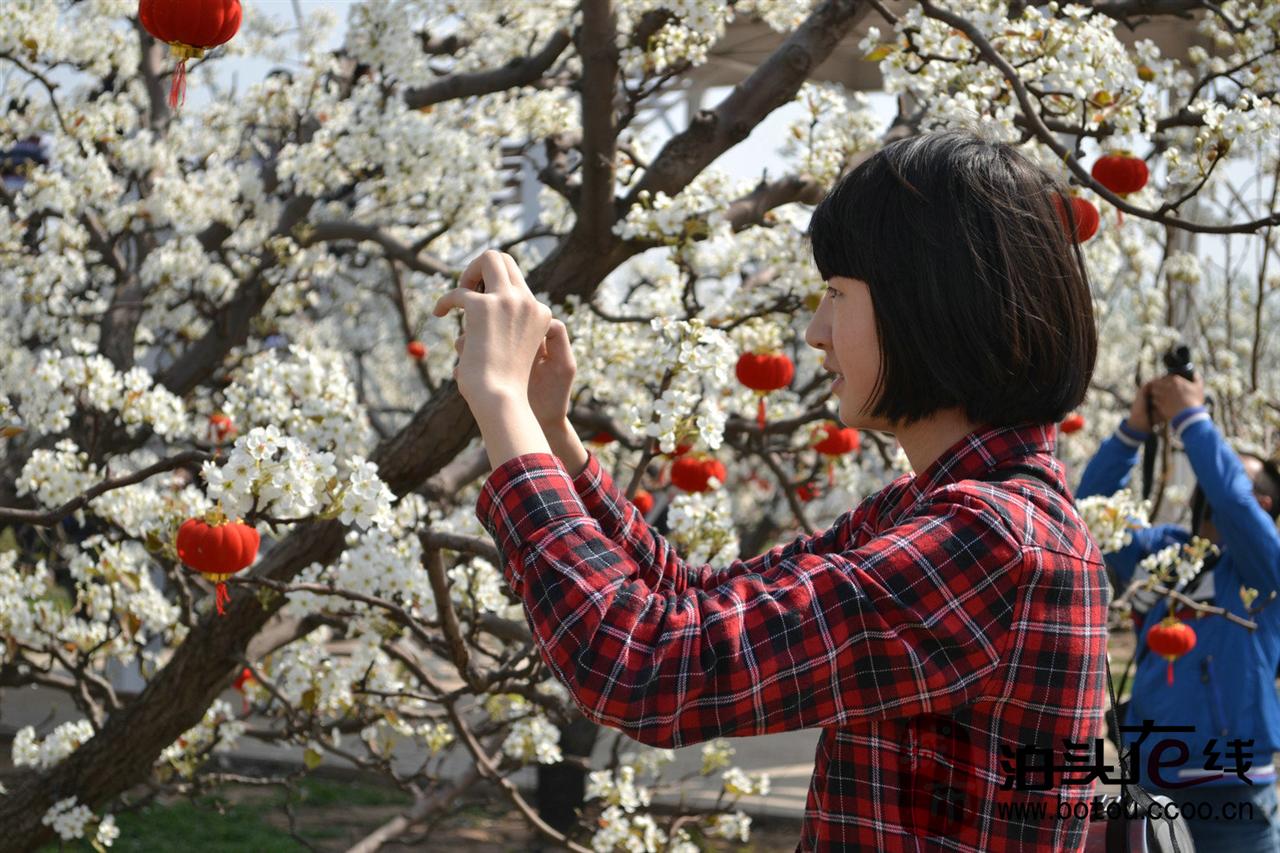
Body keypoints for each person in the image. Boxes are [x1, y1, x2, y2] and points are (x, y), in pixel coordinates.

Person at [434, 131, 1108, 851]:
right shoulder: (941, 513)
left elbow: (644, 665)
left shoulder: (989, 543)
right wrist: (548, 434)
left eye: (837, 293)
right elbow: (690, 599)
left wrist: (501, 403)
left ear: (929, 302)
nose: (816, 332)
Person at [1077, 373, 1280, 851]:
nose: (1215, 477)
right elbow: (1094, 512)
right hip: (1155, 792)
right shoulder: (1167, 556)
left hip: (1237, 797)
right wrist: (1133, 431)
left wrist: (1192, 418)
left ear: (1264, 506)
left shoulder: (1262, 572)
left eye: (1230, 468)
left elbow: (1231, 499)